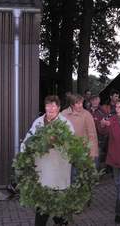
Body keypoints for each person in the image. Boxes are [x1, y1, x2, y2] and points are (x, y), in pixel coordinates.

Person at [21, 95, 74, 226]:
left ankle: (61, 222)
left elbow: (71, 144)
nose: (50, 108)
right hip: (42, 171)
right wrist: (23, 152)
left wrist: (56, 141)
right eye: (48, 105)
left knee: (56, 206)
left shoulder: (65, 123)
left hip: (58, 172)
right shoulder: (38, 122)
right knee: (43, 204)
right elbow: (29, 139)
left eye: (53, 105)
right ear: (44, 107)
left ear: (59, 108)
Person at [62, 94, 99, 161]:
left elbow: (92, 134)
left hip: (83, 152)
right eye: (78, 103)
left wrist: (93, 153)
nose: (80, 105)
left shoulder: (87, 115)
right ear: (72, 104)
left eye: (81, 103)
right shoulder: (63, 114)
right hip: (67, 152)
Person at [88, 95, 108, 169]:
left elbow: (106, 126)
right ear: (90, 101)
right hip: (88, 138)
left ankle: (95, 176)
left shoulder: (102, 111)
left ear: (99, 101)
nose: (95, 102)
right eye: (93, 100)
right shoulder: (87, 111)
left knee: (96, 157)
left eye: (96, 100)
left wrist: (100, 125)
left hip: (99, 138)